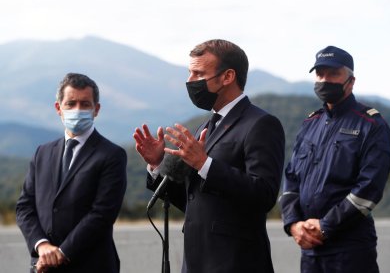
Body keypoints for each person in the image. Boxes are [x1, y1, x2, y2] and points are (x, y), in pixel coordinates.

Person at [133, 39, 285, 273]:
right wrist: (157, 164)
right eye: (189, 72)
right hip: (196, 262)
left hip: (237, 263)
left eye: (198, 73)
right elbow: (193, 201)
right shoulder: (207, 125)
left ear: (227, 77)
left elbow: (264, 194)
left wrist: (205, 164)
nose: (190, 81)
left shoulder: (261, 124)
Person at [279, 46, 390, 273]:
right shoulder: (310, 124)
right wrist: (293, 224)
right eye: (320, 74)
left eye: (333, 74)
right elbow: (291, 178)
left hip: (350, 249)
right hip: (311, 250)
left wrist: (327, 225)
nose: (324, 80)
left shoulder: (372, 126)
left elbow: (369, 188)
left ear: (351, 81)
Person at [16, 73, 127, 273]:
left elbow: (101, 214)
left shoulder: (111, 155)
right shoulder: (43, 152)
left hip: (91, 266)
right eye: (71, 103)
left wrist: (61, 253)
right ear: (59, 108)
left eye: (85, 104)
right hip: (42, 265)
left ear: (96, 109)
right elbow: (25, 207)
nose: (78, 110)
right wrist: (42, 246)